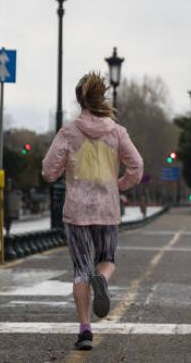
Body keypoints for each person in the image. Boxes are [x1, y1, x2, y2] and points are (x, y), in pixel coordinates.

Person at [42, 72, 143, 351]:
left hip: (77, 211)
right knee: (107, 260)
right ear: (102, 98)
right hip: (107, 210)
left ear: (79, 100)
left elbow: (48, 171)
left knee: (80, 271)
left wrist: (63, 169)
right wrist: (118, 185)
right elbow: (137, 166)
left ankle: (85, 330)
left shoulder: (69, 132)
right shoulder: (117, 132)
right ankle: (103, 279)